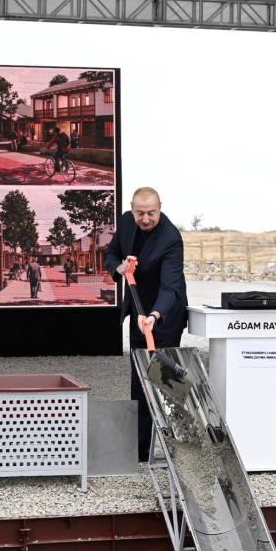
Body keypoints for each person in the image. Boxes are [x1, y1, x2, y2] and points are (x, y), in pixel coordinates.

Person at [104, 187, 188, 462]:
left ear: (160, 208)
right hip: (138, 312)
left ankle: (179, 443)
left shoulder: (171, 238)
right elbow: (112, 253)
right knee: (139, 380)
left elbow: (170, 287)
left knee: (165, 381)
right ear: (132, 209)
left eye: (151, 212)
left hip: (163, 316)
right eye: (140, 213)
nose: (146, 218)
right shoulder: (128, 222)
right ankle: (141, 449)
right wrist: (118, 268)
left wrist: (154, 316)